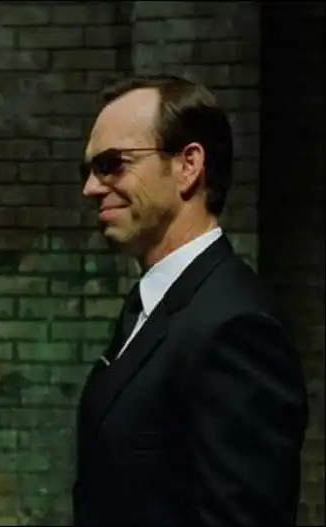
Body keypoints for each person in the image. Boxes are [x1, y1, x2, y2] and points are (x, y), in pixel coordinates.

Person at [73, 74, 308, 526]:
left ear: (188, 165)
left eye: (112, 164)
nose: (91, 187)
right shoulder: (154, 304)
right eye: (87, 170)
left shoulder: (235, 326)